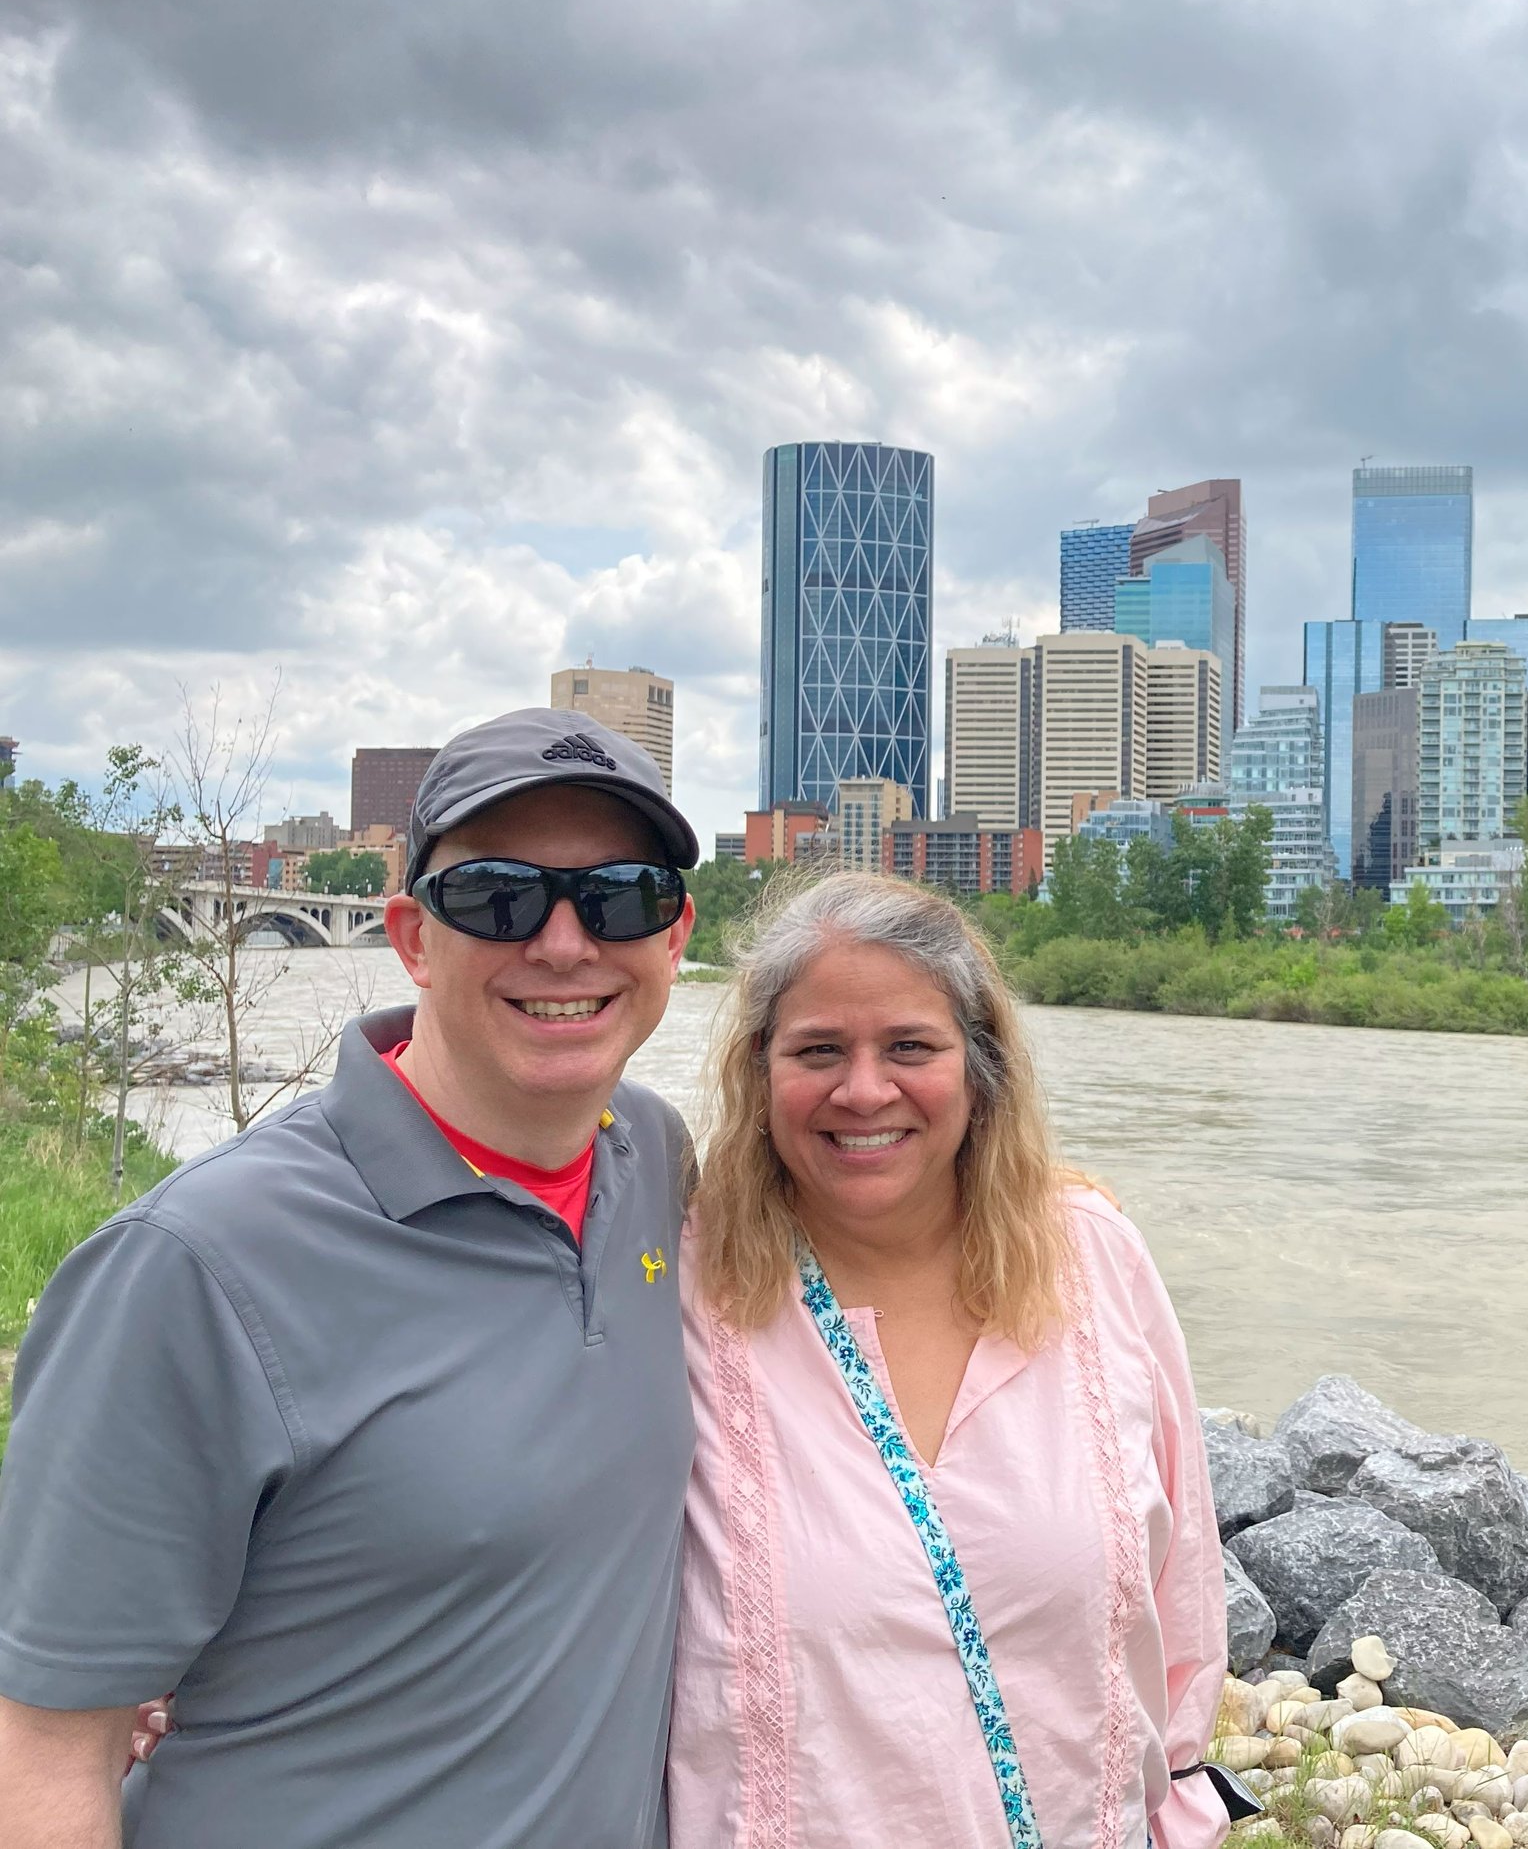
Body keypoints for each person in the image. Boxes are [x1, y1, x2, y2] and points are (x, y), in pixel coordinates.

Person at [0, 708, 701, 1849]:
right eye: (497, 897)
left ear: (671, 938)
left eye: (619, 894)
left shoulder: (653, 1160)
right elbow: (45, 1749)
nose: (565, 944)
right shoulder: (189, 1266)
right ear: (412, 938)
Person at [669, 871, 1234, 1849]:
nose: (862, 1089)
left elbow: (1180, 1591)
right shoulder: (684, 1284)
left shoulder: (1092, 1259)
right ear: (759, 1076)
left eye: (909, 1047)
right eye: (817, 1051)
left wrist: (1176, 1800)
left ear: (980, 1071)